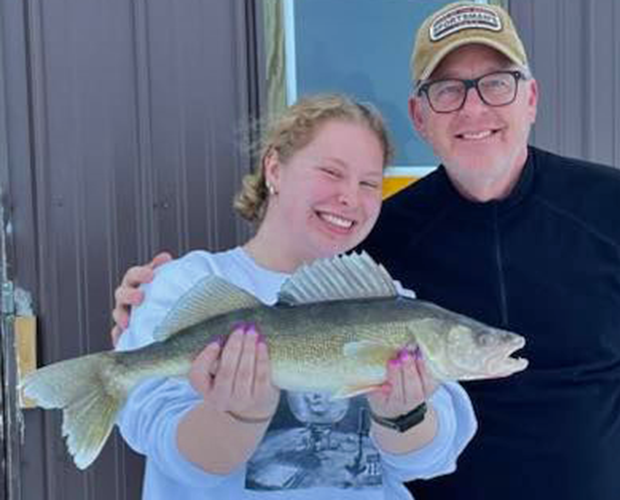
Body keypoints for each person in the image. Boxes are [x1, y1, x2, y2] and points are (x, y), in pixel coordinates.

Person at [112, 3, 620, 499]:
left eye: (497, 83)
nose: (475, 107)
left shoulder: (619, 209)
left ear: (531, 99)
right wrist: (158, 310)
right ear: (420, 116)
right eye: (449, 89)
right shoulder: (380, 240)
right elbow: (282, 283)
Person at [114, 93, 477, 500]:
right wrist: (237, 415)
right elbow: (167, 447)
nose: (350, 197)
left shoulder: (392, 302)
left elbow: (426, 460)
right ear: (275, 168)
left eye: (369, 183)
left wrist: (403, 414)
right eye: (330, 172)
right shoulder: (188, 282)